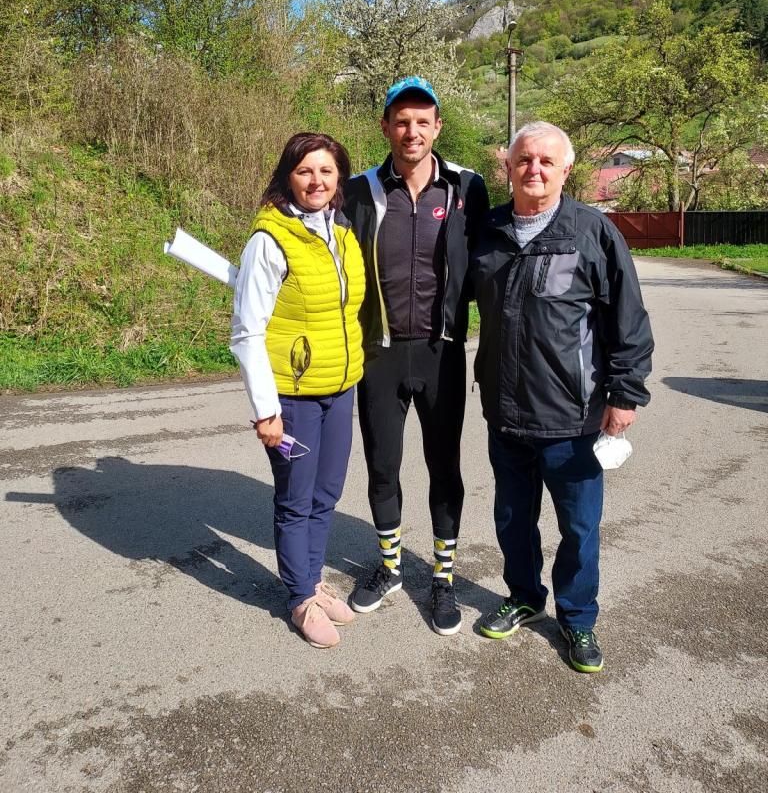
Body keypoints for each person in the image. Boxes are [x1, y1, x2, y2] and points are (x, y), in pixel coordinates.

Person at [471, 121, 653, 672]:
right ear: (508, 167)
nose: (535, 169)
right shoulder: (488, 231)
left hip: (573, 418)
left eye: (547, 161)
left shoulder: (592, 231)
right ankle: (525, 597)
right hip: (506, 413)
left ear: (566, 170)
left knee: (578, 528)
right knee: (512, 519)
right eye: (525, 159)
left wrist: (625, 394)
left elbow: (628, 321)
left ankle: (577, 618)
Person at [343, 76, 489, 635]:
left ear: (437, 127)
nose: (412, 131)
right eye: (401, 121)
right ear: (385, 127)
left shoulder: (466, 187)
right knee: (382, 465)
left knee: (443, 466)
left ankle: (443, 577)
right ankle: (390, 567)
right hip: (378, 353)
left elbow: (490, 262)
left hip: (441, 352)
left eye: (422, 121)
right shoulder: (358, 191)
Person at [230, 133, 366, 649]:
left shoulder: (342, 231)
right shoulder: (269, 240)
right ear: (288, 176)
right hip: (293, 396)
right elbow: (247, 332)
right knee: (295, 499)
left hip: (340, 387)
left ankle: (312, 580)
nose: (316, 181)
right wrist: (267, 411)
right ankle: (300, 598)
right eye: (305, 171)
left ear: (339, 177)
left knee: (326, 493)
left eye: (326, 171)